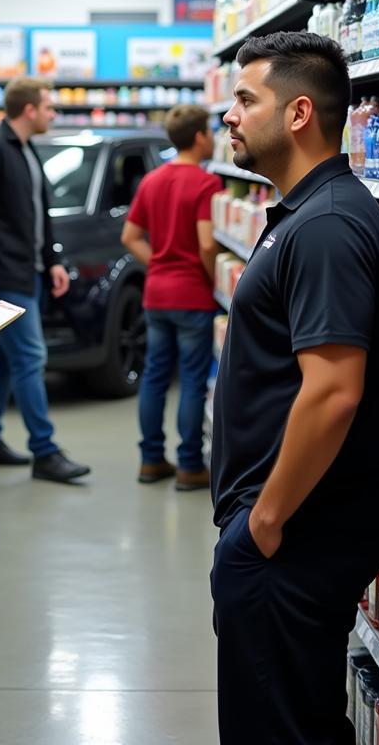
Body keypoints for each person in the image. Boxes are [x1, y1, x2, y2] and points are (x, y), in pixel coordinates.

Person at [210, 32, 379, 745]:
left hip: (294, 534)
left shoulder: (324, 226)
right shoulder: (309, 213)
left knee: (278, 728)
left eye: (244, 99)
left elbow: (332, 392)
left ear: (297, 114)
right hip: (291, 529)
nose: (228, 115)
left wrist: (262, 522)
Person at [0, 76, 91, 484]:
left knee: (0, 360)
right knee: (31, 358)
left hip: (29, 270)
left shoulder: (27, 149)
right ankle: (45, 451)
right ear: (30, 109)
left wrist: (51, 258)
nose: (54, 114)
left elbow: (39, 211)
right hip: (4, 275)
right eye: (49, 107)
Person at [120, 104, 222, 490]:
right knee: (192, 381)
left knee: (154, 376)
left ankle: (150, 460)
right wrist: (213, 279)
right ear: (199, 137)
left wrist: (159, 263)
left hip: (156, 294)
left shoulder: (152, 180)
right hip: (192, 294)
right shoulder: (205, 183)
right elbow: (207, 243)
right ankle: (189, 465)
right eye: (210, 132)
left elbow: (129, 237)